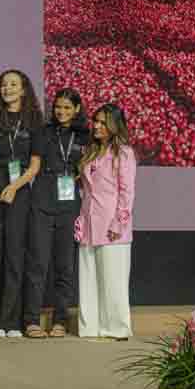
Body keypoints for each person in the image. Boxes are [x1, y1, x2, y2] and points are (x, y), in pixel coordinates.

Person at [0, 70, 44, 338]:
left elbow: (35, 164)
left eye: (13, 84)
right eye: (3, 84)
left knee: (15, 256)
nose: (7, 88)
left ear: (24, 89)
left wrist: (15, 187)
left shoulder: (35, 120)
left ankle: (11, 321)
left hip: (19, 188)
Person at [24, 89, 90, 339]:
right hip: (42, 200)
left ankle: (60, 320)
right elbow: (34, 167)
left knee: (65, 267)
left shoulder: (85, 136)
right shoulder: (43, 132)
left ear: (76, 109)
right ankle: (31, 320)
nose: (61, 112)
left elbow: (87, 168)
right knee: (38, 264)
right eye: (58, 107)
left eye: (66, 107)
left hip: (69, 204)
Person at [75, 103, 136, 340]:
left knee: (113, 281)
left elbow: (127, 192)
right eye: (96, 122)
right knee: (88, 279)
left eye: (103, 122)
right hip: (89, 223)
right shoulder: (91, 151)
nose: (97, 126)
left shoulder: (124, 153)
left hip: (112, 226)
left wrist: (118, 223)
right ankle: (90, 327)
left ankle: (117, 328)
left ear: (114, 126)